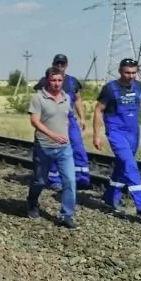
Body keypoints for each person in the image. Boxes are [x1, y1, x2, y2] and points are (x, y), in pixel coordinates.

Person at [93, 58, 141, 221]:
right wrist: (97, 135)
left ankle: (110, 199)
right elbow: (98, 110)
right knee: (130, 165)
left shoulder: (139, 87)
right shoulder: (110, 89)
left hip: (133, 133)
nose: (130, 76)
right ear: (120, 71)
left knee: (122, 166)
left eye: (133, 72)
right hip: (116, 132)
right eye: (127, 72)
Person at [27, 66, 78, 229]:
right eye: (53, 80)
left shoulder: (66, 97)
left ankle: (66, 215)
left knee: (70, 180)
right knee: (40, 181)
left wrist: (67, 134)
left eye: (59, 80)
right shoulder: (38, 98)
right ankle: (32, 202)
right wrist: (52, 135)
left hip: (64, 147)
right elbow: (35, 121)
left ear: (63, 80)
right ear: (47, 80)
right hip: (44, 146)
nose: (56, 84)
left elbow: (66, 118)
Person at [33, 54, 90, 190]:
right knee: (53, 149)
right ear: (53, 64)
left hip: (69, 119)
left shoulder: (72, 82)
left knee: (77, 147)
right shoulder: (44, 81)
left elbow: (77, 99)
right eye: (57, 64)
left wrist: (82, 118)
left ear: (66, 65)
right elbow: (38, 100)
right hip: (51, 119)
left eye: (62, 64)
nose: (60, 66)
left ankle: (80, 178)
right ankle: (54, 179)